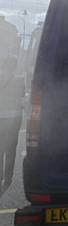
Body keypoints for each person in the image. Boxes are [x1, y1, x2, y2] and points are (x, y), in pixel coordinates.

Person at [0, 55, 25, 194]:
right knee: (11, 150)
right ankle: (8, 178)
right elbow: (22, 100)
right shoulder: (19, 81)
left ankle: (0, 176)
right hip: (14, 120)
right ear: (14, 67)